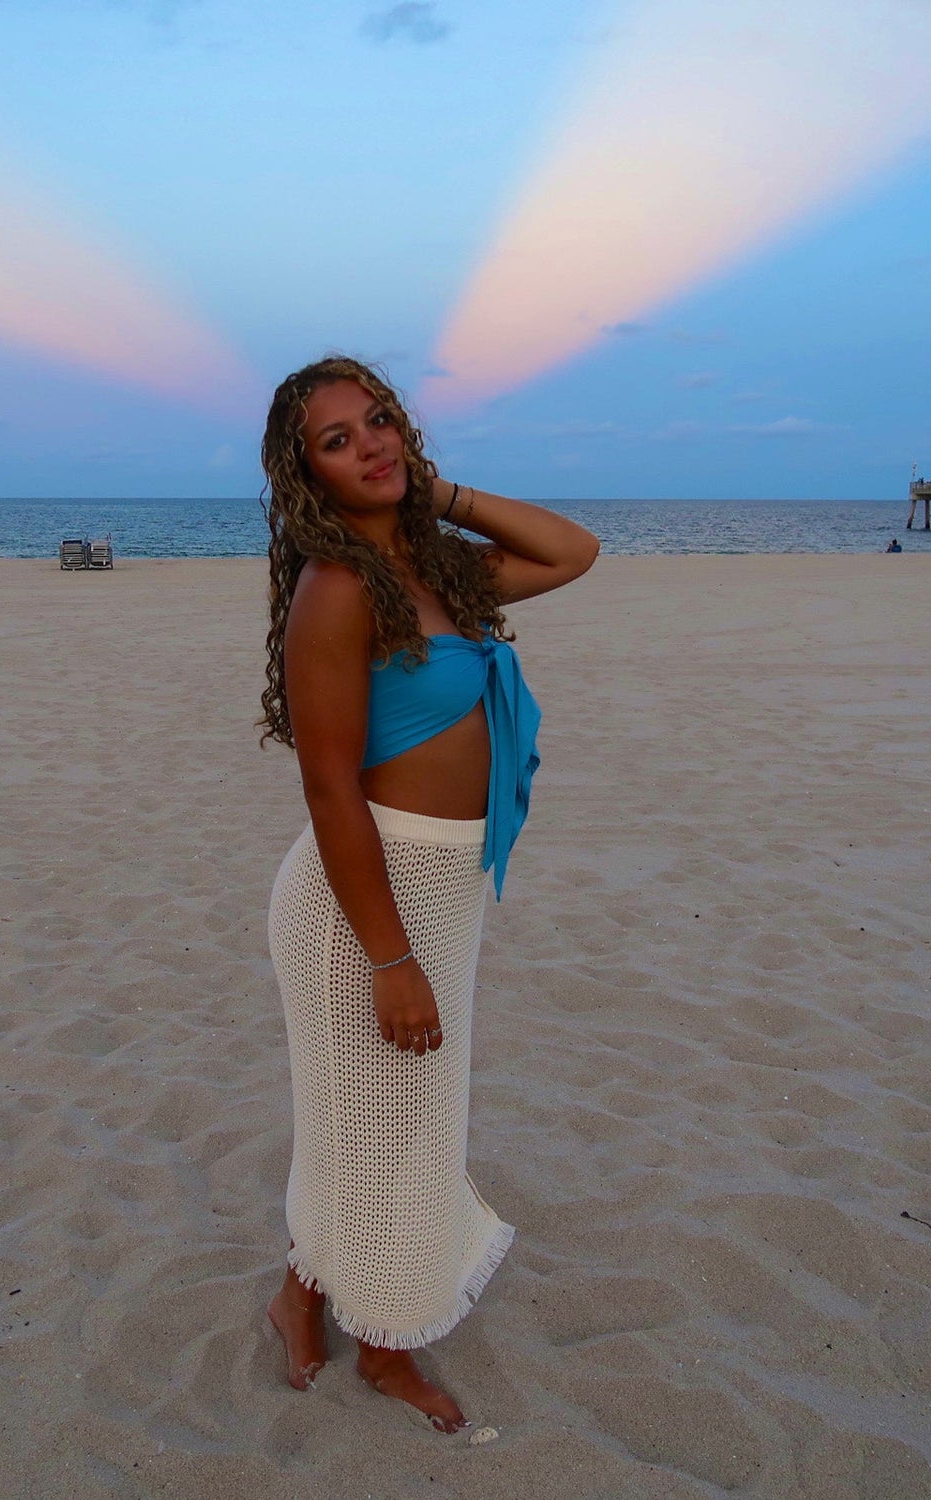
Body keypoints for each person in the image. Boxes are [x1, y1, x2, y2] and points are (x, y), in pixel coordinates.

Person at [259, 355, 599, 1432]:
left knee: (375, 1120)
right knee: (386, 1127)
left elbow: (573, 551)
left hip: (439, 895)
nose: (371, 445)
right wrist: (390, 959)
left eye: (382, 422)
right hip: (364, 906)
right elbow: (327, 787)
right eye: (339, 439)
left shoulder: (439, 572)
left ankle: (299, 1292)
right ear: (306, 475)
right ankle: (385, 1345)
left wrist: (434, 490)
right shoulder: (338, 587)